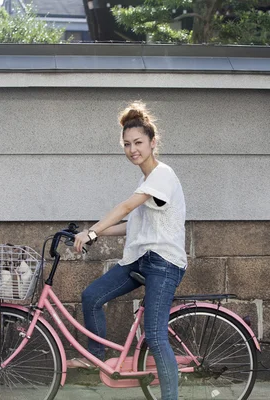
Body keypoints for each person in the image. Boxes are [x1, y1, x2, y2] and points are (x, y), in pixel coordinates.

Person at [70, 101, 187, 400]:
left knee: (156, 336)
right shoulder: (145, 180)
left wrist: (93, 231)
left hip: (164, 264)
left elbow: (125, 207)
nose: (132, 149)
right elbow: (129, 224)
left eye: (138, 143)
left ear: (152, 142)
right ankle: (93, 354)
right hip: (140, 259)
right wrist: (87, 232)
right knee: (91, 296)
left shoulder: (163, 174)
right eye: (126, 144)